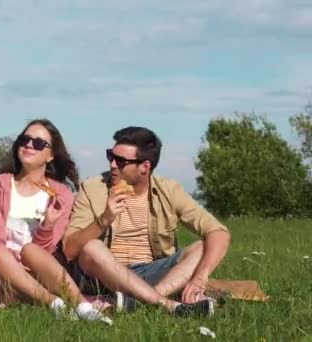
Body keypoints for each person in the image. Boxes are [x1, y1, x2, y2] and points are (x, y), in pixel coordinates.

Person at [62, 126, 231, 317]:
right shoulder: (92, 189)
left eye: (121, 161)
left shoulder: (169, 190)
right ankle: (165, 304)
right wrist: (103, 220)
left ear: (145, 166)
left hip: (150, 273)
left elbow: (218, 232)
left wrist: (200, 278)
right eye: (111, 156)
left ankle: (139, 302)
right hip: (101, 276)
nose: (112, 165)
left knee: (202, 247)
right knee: (91, 247)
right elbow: (70, 248)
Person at [0, 119, 112, 324]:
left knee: (30, 250)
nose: (29, 145)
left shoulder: (61, 195)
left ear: (51, 155)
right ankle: (55, 302)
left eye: (38, 143)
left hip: (38, 274)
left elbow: (47, 254)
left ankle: (82, 306)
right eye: (25, 140)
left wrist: (46, 226)